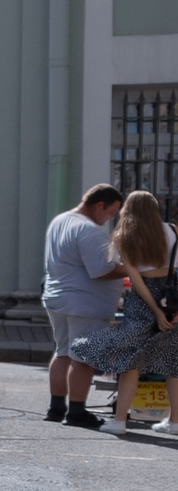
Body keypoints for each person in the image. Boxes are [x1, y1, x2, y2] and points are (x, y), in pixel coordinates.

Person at [69, 192, 178, 432]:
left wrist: (155, 311)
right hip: (172, 296)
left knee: (130, 361)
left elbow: (136, 279)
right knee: (173, 363)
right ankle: (174, 423)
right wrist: (170, 310)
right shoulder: (172, 229)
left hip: (143, 299)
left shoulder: (125, 236)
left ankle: (119, 422)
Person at [42, 183, 128, 426]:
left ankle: (56, 408)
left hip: (58, 297)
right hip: (85, 303)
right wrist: (131, 269)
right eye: (112, 211)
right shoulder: (89, 230)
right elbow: (101, 270)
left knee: (63, 352)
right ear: (99, 205)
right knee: (83, 358)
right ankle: (77, 412)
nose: (112, 217)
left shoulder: (60, 221)